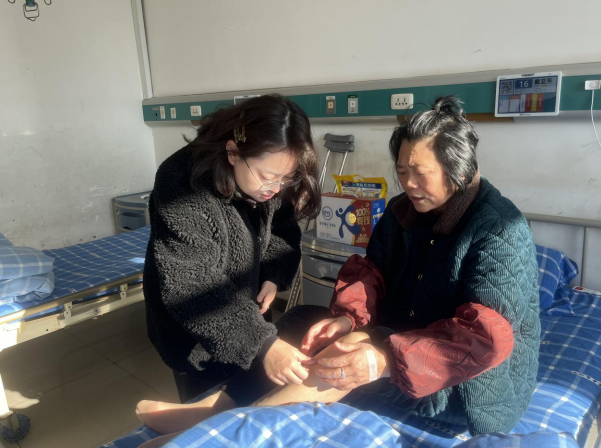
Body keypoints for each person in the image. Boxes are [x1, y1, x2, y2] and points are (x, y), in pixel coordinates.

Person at [137, 96, 540, 445]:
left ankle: (223, 433)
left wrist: (383, 359)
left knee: (347, 356)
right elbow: (370, 274)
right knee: (303, 322)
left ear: (459, 170)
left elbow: (485, 336)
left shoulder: (499, 230)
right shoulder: (402, 213)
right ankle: (218, 410)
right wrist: (348, 318)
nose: (408, 184)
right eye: (402, 171)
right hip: (399, 333)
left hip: (463, 382)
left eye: (421, 173)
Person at [142, 94, 321, 405]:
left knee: (243, 395)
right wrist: (263, 344)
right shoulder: (182, 184)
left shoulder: (273, 175)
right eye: (268, 178)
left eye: (286, 179)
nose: (275, 189)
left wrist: (273, 275)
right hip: (191, 333)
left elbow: (282, 230)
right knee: (204, 399)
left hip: (245, 314)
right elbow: (192, 284)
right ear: (234, 152)